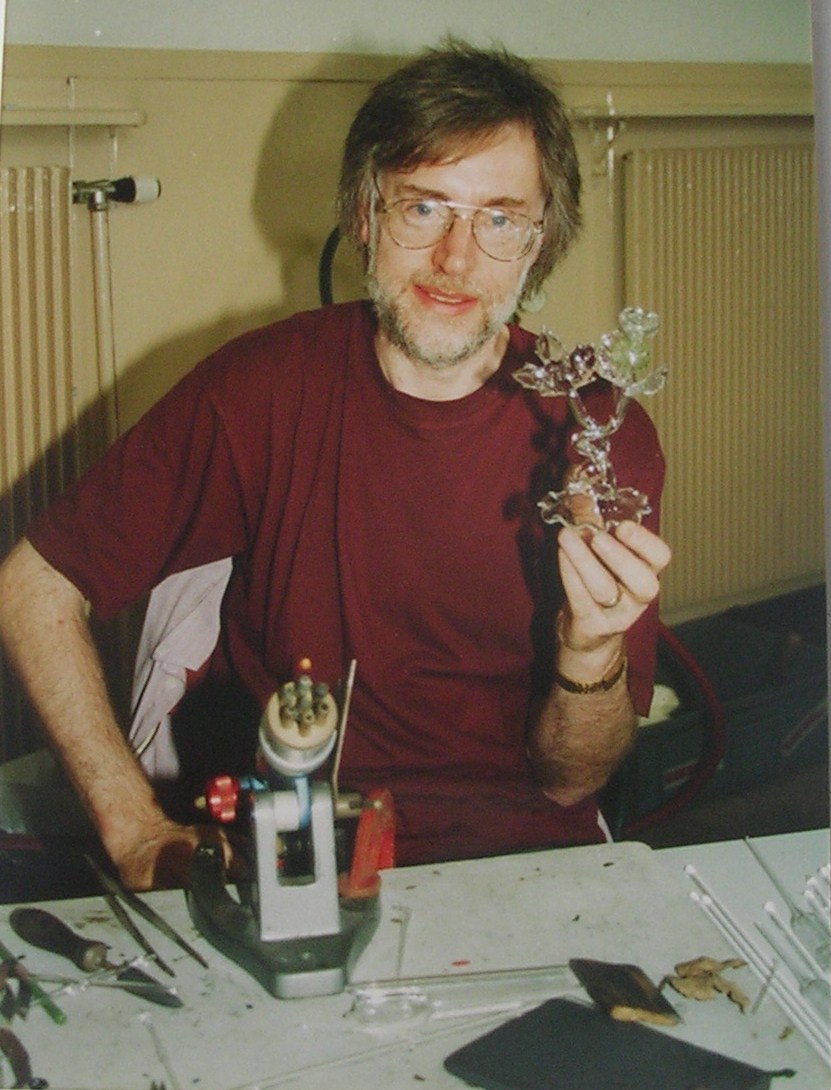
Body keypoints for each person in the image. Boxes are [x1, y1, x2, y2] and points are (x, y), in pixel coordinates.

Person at [0, 40, 670, 890]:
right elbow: (33, 586)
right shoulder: (259, 390)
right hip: (289, 850)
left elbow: (571, 781)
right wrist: (133, 828)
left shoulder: (594, 429)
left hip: (514, 855)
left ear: (540, 243)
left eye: (499, 220)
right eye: (422, 208)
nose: (456, 259)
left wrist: (590, 650)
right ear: (363, 215)